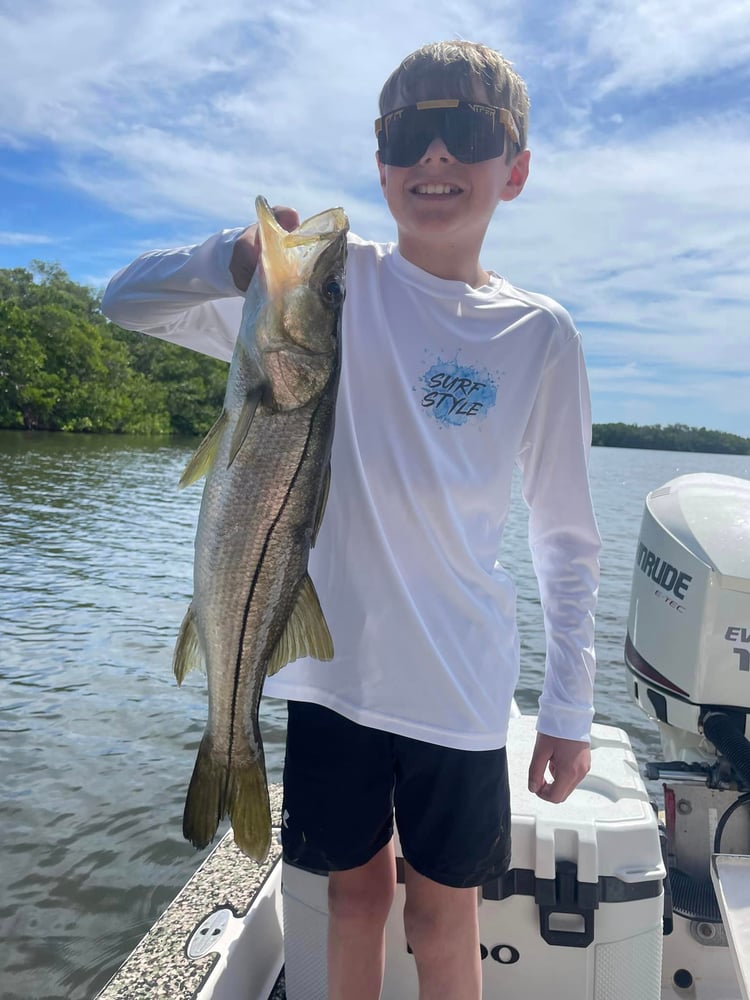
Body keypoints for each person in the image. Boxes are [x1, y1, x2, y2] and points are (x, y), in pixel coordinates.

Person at [102, 40, 600, 1000]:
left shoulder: (539, 334)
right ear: (381, 164)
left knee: (444, 915)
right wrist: (236, 256)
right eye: (410, 134)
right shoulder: (329, 289)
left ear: (518, 167)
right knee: (352, 900)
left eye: (467, 133)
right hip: (330, 677)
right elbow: (127, 301)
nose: (436, 159)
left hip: (459, 684)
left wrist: (568, 711)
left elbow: (568, 541)